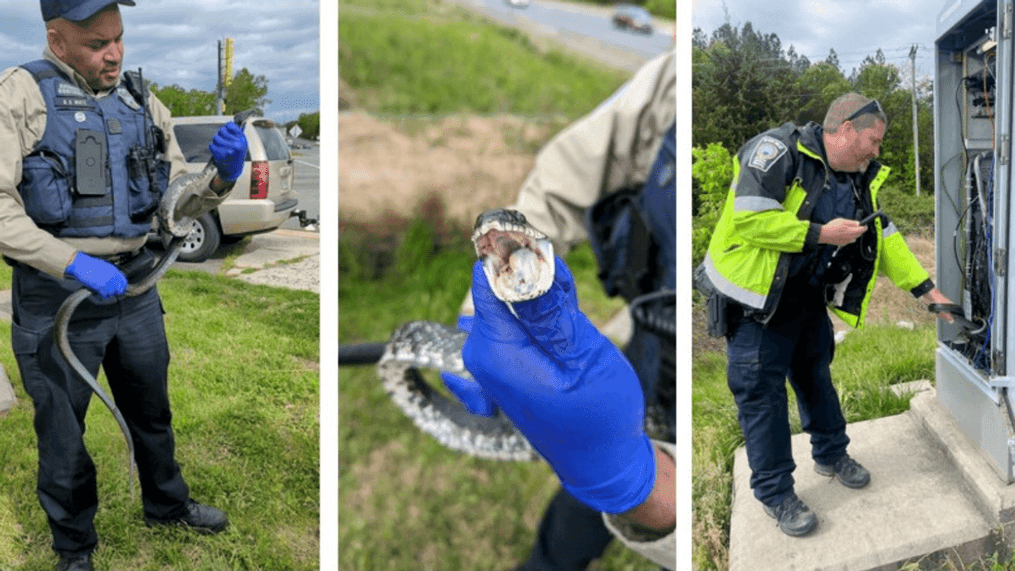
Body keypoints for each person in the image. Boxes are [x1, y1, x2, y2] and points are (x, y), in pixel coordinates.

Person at [0, 2, 247, 570]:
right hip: (57, 297)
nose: (112, 54)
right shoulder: (20, 95)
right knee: (63, 431)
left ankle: (167, 504)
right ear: (57, 40)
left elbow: (177, 203)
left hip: (135, 290)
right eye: (95, 43)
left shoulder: (142, 101)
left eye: (118, 39)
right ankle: (74, 547)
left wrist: (220, 178)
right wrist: (69, 261)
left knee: (151, 411)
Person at [443, 50, 676, 570]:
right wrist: (475, 315)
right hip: (650, 349)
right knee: (578, 507)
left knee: (609, 466)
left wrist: (646, 491)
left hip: (706, 370)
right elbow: (561, 182)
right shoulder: (675, 79)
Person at [696, 93, 954, 537]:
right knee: (763, 398)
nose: (877, 150)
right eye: (873, 140)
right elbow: (749, 219)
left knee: (817, 377)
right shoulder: (776, 152)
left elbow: (884, 238)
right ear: (848, 129)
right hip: (756, 303)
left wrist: (929, 292)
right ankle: (776, 494)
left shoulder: (856, 179)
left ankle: (831, 454)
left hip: (805, 298)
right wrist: (820, 233)